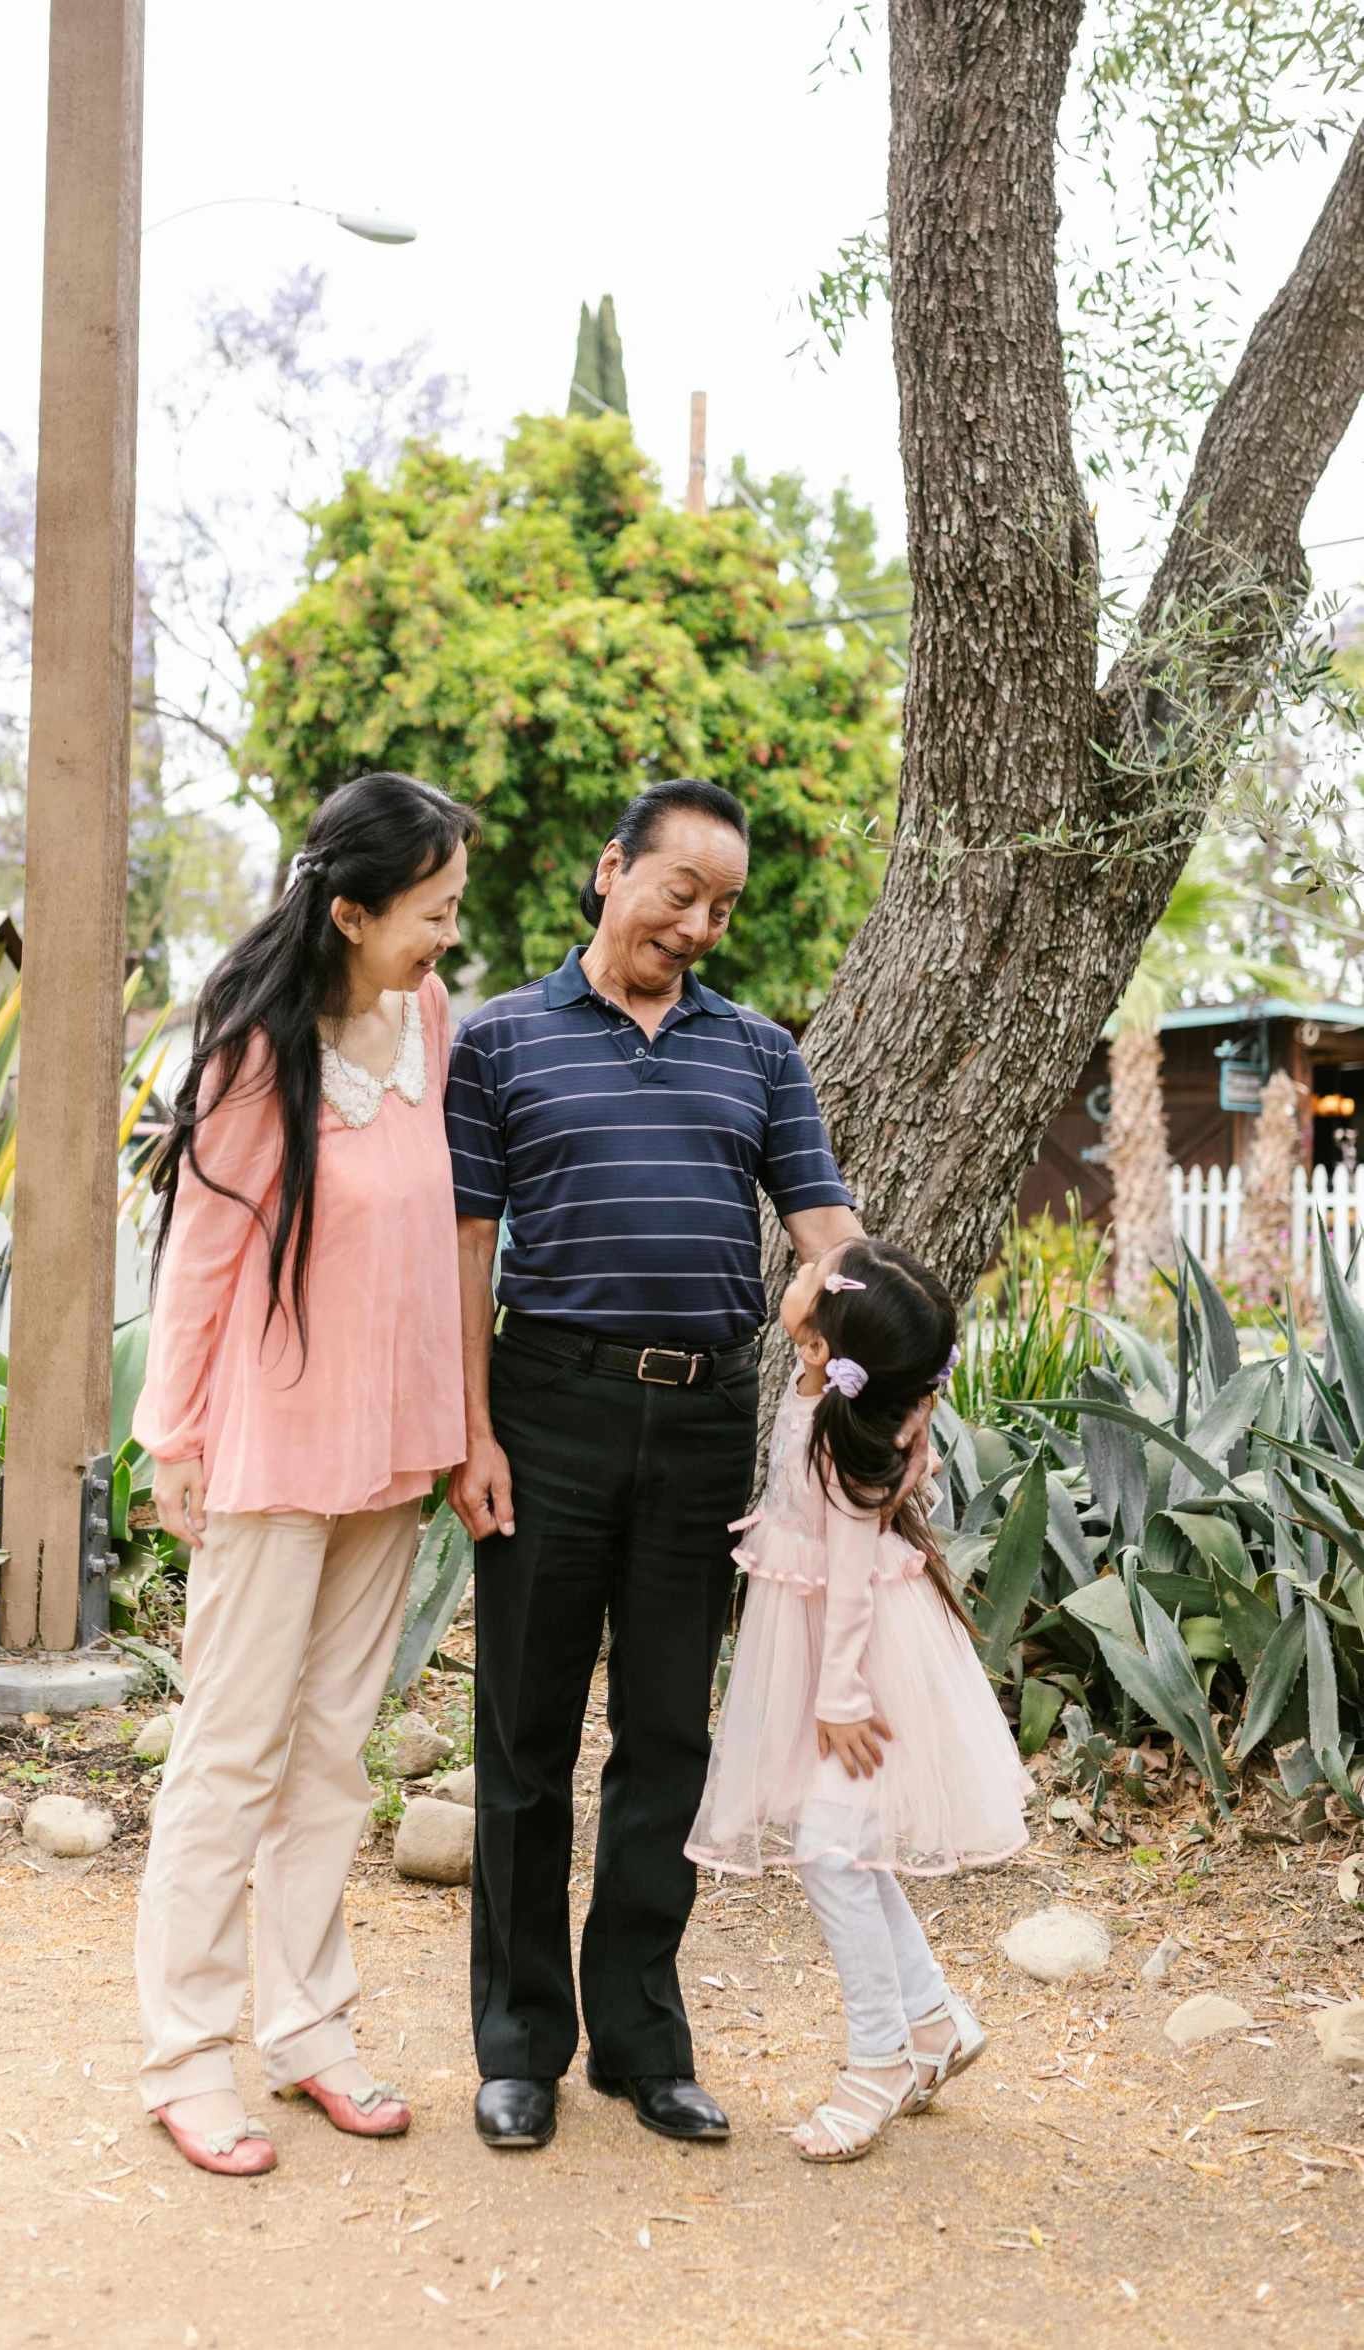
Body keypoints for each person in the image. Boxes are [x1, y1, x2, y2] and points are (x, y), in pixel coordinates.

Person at [444, 776, 865, 2152]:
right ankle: (517, 2044)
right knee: (523, 1737)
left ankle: (637, 2035)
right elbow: (461, 1248)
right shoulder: (499, 1037)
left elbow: (824, 1230)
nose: (697, 924)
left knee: (668, 1738)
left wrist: (875, 1338)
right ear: (612, 868)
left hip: (697, 1424)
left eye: (721, 906)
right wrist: (473, 1429)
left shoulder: (756, 1051)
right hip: (543, 1408)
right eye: (678, 892)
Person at [132, 772, 477, 2178]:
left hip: (388, 1449)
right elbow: (197, 1267)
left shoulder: (429, 1023)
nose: (447, 937)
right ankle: (184, 2057)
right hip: (271, 1449)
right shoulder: (252, 1055)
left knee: (332, 1754)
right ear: (348, 910)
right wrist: (174, 1440)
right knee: (228, 1756)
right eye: (429, 912)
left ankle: (308, 2029)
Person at [687, 1237, 1032, 2162]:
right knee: (842, 1845)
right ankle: (931, 2021)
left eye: (813, 1272)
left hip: (859, 1664)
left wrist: (836, 1696)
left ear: (817, 1345)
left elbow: (844, 1581)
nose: (802, 1264)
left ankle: (877, 2056)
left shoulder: (848, 1446)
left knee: (830, 1850)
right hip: (818, 1650)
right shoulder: (831, 1399)